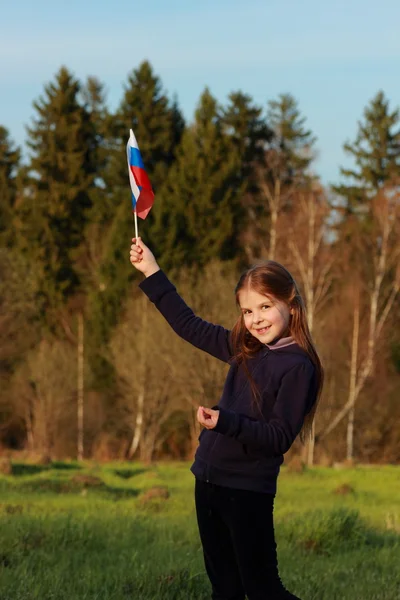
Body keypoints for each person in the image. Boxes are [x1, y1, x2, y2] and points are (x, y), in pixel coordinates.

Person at [129, 237, 323, 600]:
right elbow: (188, 324)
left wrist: (224, 422)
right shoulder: (244, 348)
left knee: (263, 589)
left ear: (291, 306)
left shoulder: (298, 367)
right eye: (247, 312)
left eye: (265, 307)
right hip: (208, 481)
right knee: (225, 589)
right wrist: (151, 271)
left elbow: (278, 437)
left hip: (248, 490)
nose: (255, 320)